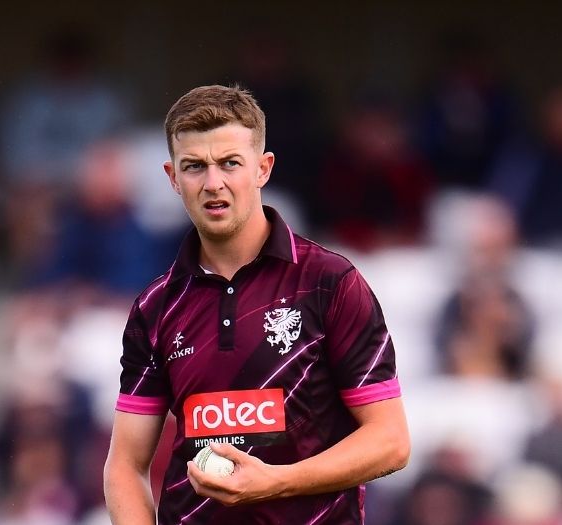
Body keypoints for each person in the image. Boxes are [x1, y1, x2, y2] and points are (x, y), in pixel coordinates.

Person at [103, 85, 410, 524]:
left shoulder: (330, 283)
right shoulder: (156, 308)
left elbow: (391, 441)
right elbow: (125, 467)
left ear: (263, 168)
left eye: (230, 163)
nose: (213, 184)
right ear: (172, 178)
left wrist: (274, 482)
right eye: (195, 167)